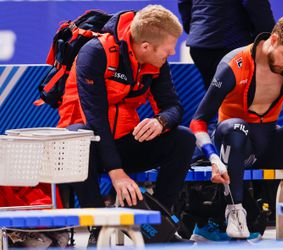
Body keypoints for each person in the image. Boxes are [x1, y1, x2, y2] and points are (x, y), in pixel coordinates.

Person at [190, 15, 283, 239]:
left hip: (269, 143)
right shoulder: (234, 64)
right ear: (274, 39)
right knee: (235, 129)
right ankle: (234, 211)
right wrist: (213, 158)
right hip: (236, 146)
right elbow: (198, 121)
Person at [56, 4, 196, 243]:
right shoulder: (95, 53)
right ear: (145, 46)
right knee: (78, 137)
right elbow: (95, 118)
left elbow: (174, 107)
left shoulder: (156, 61)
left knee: (183, 138)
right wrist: (116, 172)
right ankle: (97, 226)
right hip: (84, 149)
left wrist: (161, 122)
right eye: (168, 48)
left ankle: (157, 223)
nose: (172, 52)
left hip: (123, 142)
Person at [178, 0, 275, 89]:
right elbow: (256, 5)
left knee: (214, 97)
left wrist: (197, 29)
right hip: (231, 45)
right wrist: (267, 37)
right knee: (235, 99)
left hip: (201, 47)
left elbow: (183, 3)